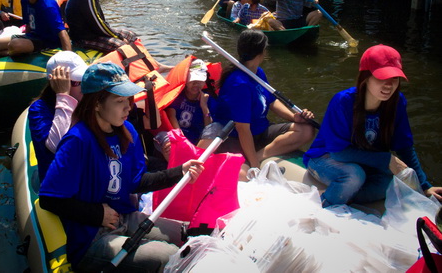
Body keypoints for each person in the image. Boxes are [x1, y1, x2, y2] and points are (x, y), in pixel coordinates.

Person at [39, 62, 204, 272]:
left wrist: (179, 172)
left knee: (188, 234)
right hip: (92, 235)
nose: (128, 107)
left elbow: (135, 182)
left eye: (128, 99)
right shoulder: (77, 141)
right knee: (167, 256)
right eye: (119, 101)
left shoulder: (126, 131)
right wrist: (96, 214)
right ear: (96, 104)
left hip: (124, 216)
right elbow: (49, 198)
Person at [304, 45, 442, 207]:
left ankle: (346, 200)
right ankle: (324, 206)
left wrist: (425, 186)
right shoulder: (343, 101)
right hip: (324, 158)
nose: (389, 85)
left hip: (362, 161)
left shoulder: (397, 102)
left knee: (390, 181)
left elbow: (404, 147)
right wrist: (387, 159)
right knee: (355, 175)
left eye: (395, 79)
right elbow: (339, 154)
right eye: (382, 78)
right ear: (365, 78)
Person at [213, 30, 315, 172]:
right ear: (262, 52)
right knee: (242, 173)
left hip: (260, 130)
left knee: (306, 130)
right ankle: (252, 159)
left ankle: (261, 155)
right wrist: (255, 167)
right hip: (237, 138)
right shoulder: (239, 84)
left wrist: (293, 117)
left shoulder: (258, 72)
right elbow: (243, 130)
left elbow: (271, 101)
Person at [29, 51, 87, 182]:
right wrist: (63, 96)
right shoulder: (39, 109)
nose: (83, 86)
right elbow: (58, 146)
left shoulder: (85, 101)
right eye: (76, 83)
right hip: (59, 184)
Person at [166, 59, 215, 146]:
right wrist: (182, 139)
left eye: (200, 81)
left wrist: (204, 107)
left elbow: (209, 128)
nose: (196, 84)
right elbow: (171, 116)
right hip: (178, 137)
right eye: (193, 81)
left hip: (197, 141)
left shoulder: (208, 99)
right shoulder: (177, 95)